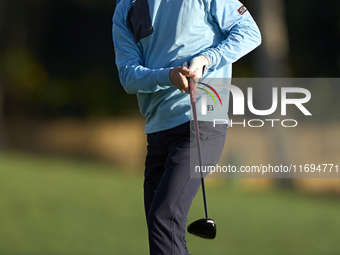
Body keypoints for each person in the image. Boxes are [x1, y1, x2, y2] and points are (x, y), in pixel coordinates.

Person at [112, 0, 261, 254]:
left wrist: (207, 58)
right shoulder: (126, 6)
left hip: (202, 122)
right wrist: (167, 76)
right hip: (157, 129)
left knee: (164, 218)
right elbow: (128, 76)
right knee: (160, 226)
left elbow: (249, 32)